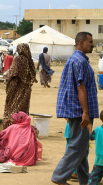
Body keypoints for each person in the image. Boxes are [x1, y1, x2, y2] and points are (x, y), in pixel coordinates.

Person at [52, 32, 98, 185]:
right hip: (79, 111)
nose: (92, 44)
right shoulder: (79, 61)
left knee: (83, 148)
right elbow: (81, 87)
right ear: (81, 43)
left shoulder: (75, 60)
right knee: (77, 147)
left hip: (75, 110)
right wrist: (85, 112)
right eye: (90, 42)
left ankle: (84, 181)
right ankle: (59, 176)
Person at [3, 43, 37, 128]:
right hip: (26, 89)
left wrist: (7, 78)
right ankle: (22, 125)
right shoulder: (30, 61)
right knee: (22, 106)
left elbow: (14, 73)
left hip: (16, 87)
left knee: (12, 105)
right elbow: (32, 75)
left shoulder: (18, 59)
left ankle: (10, 125)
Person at [88, 110, 103, 185]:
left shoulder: (97, 130)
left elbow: (91, 137)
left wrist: (90, 128)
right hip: (99, 160)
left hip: (99, 160)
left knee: (93, 179)